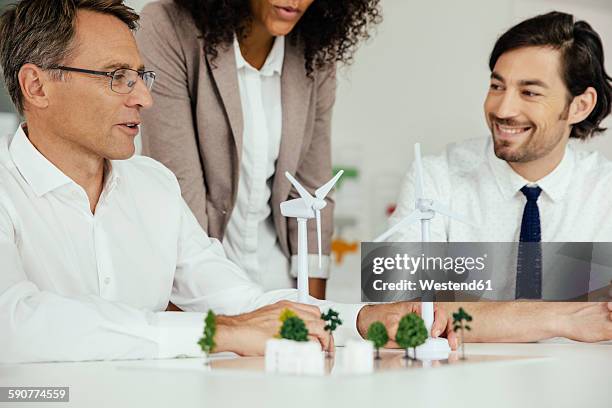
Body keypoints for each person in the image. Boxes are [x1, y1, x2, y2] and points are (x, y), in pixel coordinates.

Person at [0, 0, 455, 364]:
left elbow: (239, 297)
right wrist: (222, 333)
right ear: (37, 86)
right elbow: (15, 326)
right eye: (117, 77)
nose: (143, 98)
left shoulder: (153, 187)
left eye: (142, 76)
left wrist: (364, 319)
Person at [389, 11, 612, 343]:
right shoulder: (435, 178)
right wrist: (565, 317)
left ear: (580, 106)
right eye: (497, 85)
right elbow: (404, 314)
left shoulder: (604, 191)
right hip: (460, 383)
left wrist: (465, 313)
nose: (503, 109)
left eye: (530, 92)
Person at [135, 0, 381, 299]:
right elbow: (180, 189)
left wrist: (314, 313)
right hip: (201, 286)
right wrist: (233, 316)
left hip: (281, 285)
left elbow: (312, 190)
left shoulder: (314, 51)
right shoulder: (168, 28)